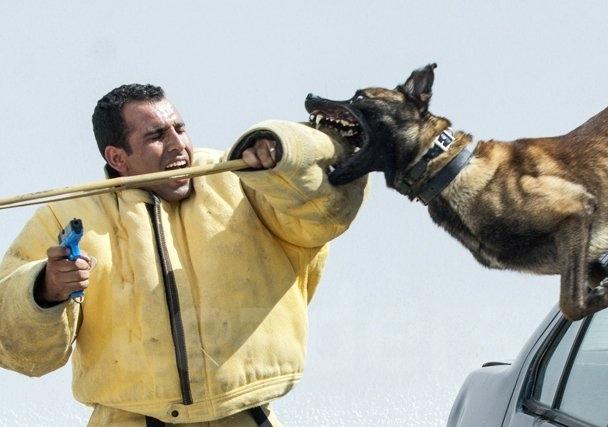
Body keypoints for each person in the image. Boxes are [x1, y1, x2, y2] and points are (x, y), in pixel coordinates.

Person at [0, 84, 367, 426]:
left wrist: (283, 151)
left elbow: (323, 213)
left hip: (245, 415)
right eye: (157, 136)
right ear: (117, 157)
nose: (179, 145)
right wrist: (44, 290)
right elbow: (12, 343)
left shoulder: (240, 176)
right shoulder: (62, 215)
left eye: (180, 128)